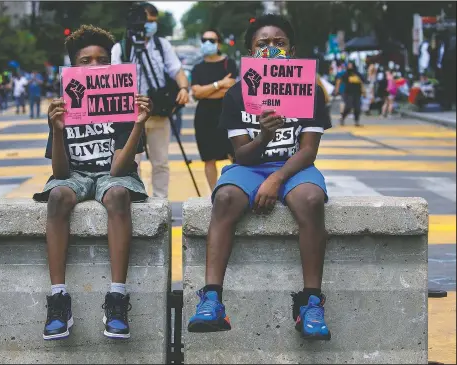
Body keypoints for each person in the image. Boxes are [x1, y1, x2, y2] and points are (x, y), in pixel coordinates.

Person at [187, 14, 332, 341]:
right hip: (250, 166)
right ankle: (212, 298)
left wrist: (278, 178)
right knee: (224, 198)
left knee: (310, 201)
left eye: (278, 43)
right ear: (249, 53)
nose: (270, 49)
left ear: (291, 51)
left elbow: (308, 150)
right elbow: (241, 155)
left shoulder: (309, 89)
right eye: (262, 44)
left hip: (294, 167)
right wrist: (264, 136)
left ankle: (310, 302)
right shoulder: (237, 94)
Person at [32, 24, 151, 341]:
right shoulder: (65, 101)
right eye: (86, 60)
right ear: (73, 67)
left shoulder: (123, 100)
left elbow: (118, 169)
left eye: (102, 59)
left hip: (113, 171)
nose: (95, 66)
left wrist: (138, 124)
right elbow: (59, 172)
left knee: (117, 196)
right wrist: (57, 129)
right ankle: (58, 298)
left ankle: (117, 297)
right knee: (56, 196)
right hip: (75, 173)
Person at [111, 2, 190, 199]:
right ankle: (135, 198)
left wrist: (183, 87)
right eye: (147, 21)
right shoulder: (121, 48)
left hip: (159, 112)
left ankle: (161, 200)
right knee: (131, 162)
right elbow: (113, 80)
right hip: (131, 115)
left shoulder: (162, 45)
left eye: (154, 22)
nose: (149, 25)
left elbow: (176, 69)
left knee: (160, 162)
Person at [191, 29, 237, 191]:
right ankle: (214, 194)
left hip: (228, 114)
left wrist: (207, 90)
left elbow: (230, 89)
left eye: (212, 40)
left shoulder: (228, 63)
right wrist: (219, 84)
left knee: (235, 155)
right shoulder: (197, 68)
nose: (207, 43)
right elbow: (196, 93)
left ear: (219, 43)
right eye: (204, 40)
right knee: (208, 158)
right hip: (204, 117)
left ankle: (239, 189)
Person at [337, 61, 365, 126]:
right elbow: (339, 80)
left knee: (357, 107)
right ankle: (342, 118)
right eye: (349, 65)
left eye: (351, 64)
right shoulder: (346, 74)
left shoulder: (357, 74)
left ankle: (356, 121)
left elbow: (362, 82)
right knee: (348, 107)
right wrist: (337, 90)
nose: (350, 66)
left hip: (357, 92)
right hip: (348, 92)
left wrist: (364, 91)